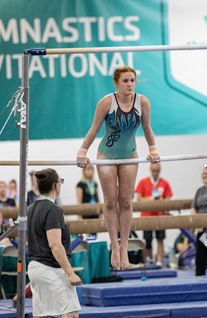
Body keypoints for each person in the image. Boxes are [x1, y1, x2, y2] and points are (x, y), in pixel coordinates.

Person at [76, 66, 160, 270]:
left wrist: (154, 149)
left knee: (126, 201)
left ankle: (124, 247)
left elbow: (147, 128)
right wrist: (82, 152)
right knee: (111, 202)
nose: (130, 84)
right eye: (125, 81)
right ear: (116, 83)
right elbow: (94, 129)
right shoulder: (106, 102)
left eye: (132, 80)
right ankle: (114, 246)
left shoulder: (142, 102)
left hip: (130, 154)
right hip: (106, 155)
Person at [27, 169, 81, 318]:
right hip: (50, 268)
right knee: (70, 313)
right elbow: (55, 244)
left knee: (43, 314)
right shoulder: (53, 210)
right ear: (56, 185)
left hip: (35, 268)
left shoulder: (30, 209)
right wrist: (70, 273)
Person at [135, 163, 173, 265]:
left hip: (160, 215)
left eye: (157, 171)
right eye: (153, 171)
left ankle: (159, 261)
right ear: (150, 170)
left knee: (160, 239)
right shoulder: (143, 182)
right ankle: (149, 259)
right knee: (148, 241)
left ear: (160, 170)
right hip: (147, 216)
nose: (155, 173)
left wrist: (162, 200)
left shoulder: (165, 183)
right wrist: (150, 199)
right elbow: (138, 199)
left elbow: (169, 199)